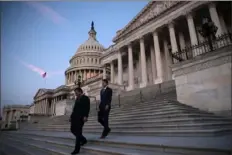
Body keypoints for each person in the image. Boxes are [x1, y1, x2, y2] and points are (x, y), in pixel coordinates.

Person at [70, 87, 90, 154]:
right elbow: (74, 109)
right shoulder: (77, 99)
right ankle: (83, 139)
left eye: (76, 92)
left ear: (80, 91)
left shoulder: (85, 98)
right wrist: (71, 116)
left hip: (81, 118)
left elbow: (87, 107)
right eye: (75, 93)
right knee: (72, 129)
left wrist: (86, 116)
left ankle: (77, 149)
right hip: (74, 117)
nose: (75, 94)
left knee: (78, 133)